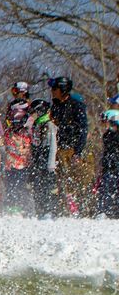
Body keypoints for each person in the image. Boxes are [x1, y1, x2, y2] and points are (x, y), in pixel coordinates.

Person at [48, 76, 89, 215]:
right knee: (60, 181)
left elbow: (83, 129)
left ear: (63, 89)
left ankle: (81, 209)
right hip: (59, 149)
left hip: (73, 149)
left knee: (77, 181)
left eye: (55, 89)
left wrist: (78, 151)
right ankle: (63, 209)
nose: (52, 91)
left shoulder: (76, 105)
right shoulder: (55, 106)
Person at [26, 100, 58, 218]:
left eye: (34, 112)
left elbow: (52, 146)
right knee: (37, 185)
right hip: (38, 159)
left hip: (46, 160)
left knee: (47, 186)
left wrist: (50, 165)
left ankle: (49, 210)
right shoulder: (37, 125)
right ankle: (40, 209)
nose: (32, 115)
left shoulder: (49, 126)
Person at [97, 109, 119, 218]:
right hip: (109, 167)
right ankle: (104, 211)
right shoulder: (107, 135)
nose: (105, 125)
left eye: (107, 122)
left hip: (115, 167)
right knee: (105, 189)